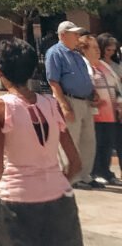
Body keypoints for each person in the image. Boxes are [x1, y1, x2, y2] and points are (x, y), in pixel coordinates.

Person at [0, 39, 83, 246]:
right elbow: (75, 163)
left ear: (0, 70)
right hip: (61, 200)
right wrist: (54, 183)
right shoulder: (52, 104)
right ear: (33, 70)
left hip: (17, 202)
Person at [45, 21, 97, 187]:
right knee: (71, 140)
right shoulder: (55, 53)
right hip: (70, 101)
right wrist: (64, 105)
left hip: (85, 101)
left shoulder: (76, 54)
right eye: (74, 34)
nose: (77, 36)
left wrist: (92, 92)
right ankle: (71, 177)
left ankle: (84, 175)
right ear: (62, 35)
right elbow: (53, 81)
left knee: (88, 140)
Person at [85, 33, 117, 185]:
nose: (98, 51)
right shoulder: (87, 67)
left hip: (110, 112)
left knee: (107, 144)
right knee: (97, 144)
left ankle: (106, 171)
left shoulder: (105, 66)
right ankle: (95, 171)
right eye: (95, 48)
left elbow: (116, 86)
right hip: (96, 113)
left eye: (98, 48)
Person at [95, 34, 122, 184]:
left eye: (113, 50)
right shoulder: (94, 65)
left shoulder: (116, 66)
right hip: (99, 110)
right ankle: (99, 171)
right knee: (100, 142)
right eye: (108, 49)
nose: (110, 53)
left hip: (115, 109)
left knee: (112, 142)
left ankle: (107, 171)